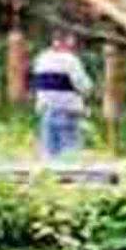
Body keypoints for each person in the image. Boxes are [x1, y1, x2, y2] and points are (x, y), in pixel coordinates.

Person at [31, 29, 92, 160]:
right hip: (67, 111)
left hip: (46, 111)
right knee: (69, 155)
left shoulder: (41, 58)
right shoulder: (70, 60)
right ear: (67, 41)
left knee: (49, 155)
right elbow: (84, 85)